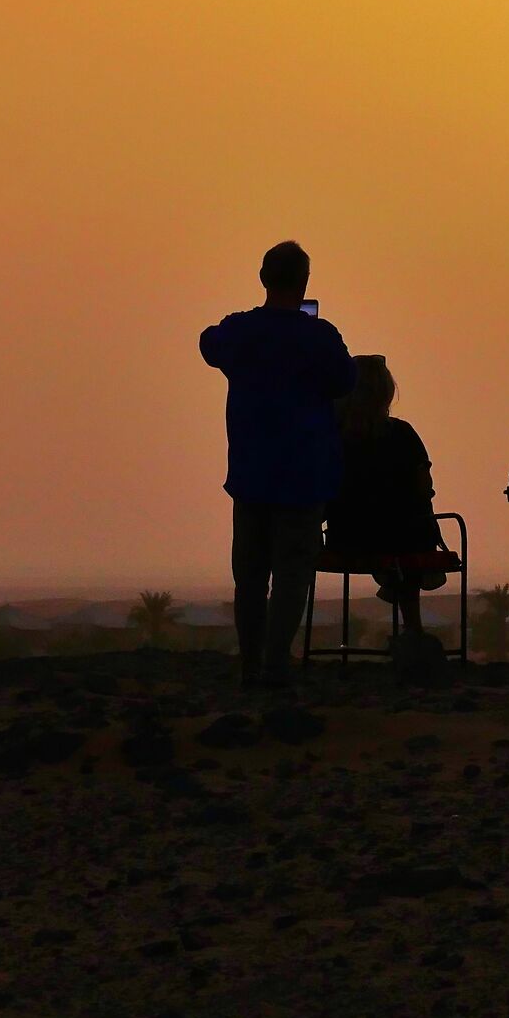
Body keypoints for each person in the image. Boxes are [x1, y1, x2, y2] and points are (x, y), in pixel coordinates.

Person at [199, 241, 355, 690]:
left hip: (251, 475)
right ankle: (274, 665)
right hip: (304, 478)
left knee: (249, 578)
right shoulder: (319, 337)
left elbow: (208, 342)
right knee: (291, 576)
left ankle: (251, 665)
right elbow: (346, 380)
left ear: (263, 279)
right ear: (304, 282)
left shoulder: (241, 332)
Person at [326, 354, 448, 647]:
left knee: (400, 533)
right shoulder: (402, 434)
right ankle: (413, 627)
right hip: (403, 538)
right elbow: (424, 487)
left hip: (347, 539)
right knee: (410, 529)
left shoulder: (333, 439)